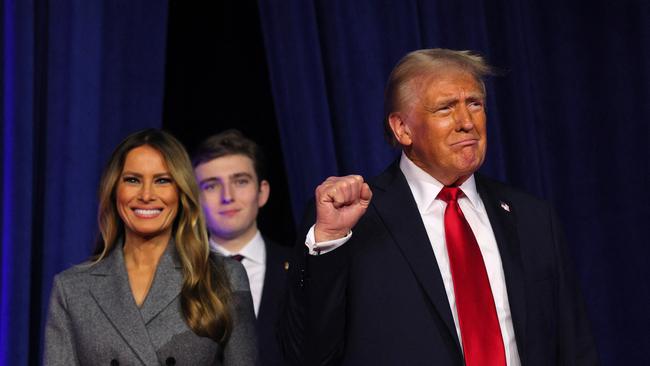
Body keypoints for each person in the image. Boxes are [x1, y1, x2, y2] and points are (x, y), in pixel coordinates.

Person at [280, 49, 598, 365]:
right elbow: (308, 352)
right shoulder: (351, 220)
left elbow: (575, 347)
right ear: (402, 128)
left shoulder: (533, 217)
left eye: (474, 104)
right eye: (445, 109)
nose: (466, 123)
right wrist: (331, 238)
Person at [44, 129, 257, 365]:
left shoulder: (224, 277)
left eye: (162, 180)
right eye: (133, 180)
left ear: (181, 191)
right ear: (115, 189)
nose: (146, 195)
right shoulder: (72, 289)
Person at [192, 130, 291, 366]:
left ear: (262, 192)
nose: (228, 196)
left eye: (241, 181)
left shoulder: (302, 268)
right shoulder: (176, 277)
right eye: (211, 186)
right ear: (195, 200)